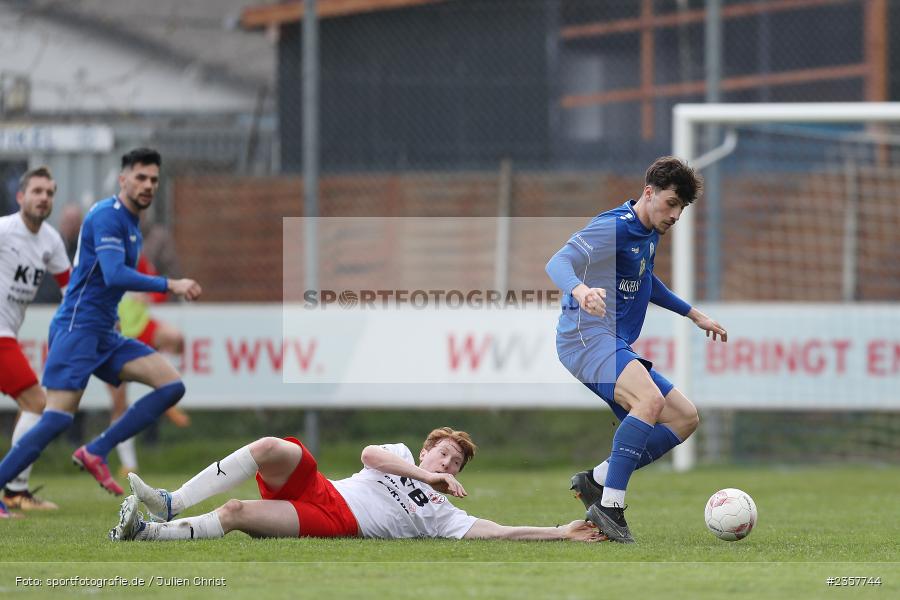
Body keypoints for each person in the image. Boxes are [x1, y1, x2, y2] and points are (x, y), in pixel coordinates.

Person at [0, 148, 202, 499]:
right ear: (123, 179)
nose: (148, 185)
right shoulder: (107, 216)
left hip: (105, 332)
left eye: (154, 179)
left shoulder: (131, 225)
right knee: (56, 418)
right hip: (77, 329)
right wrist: (170, 284)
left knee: (171, 386)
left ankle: (96, 450)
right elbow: (112, 274)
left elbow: (82, 277)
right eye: (140, 177)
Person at [545, 156, 728, 543]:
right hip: (584, 337)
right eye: (671, 204)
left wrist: (693, 314)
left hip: (610, 341)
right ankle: (610, 506)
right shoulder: (614, 227)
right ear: (649, 193)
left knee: (684, 417)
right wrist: (580, 290)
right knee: (649, 400)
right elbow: (559, 261)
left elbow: (645, 277)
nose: (676, 215)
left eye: (681, 208)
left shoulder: (649, 232)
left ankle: (595, 481)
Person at [109, 427, 605, 543]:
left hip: (335, 519)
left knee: (238, 511)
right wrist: (422, 471)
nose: (446, 464)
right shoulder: (405, 459)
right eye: (444, 454)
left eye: (454, 464)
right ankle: (171, 502)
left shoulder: (442, 511)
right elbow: (367, 456)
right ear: (427, 449)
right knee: (271, 447)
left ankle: (148, 533)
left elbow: (495, 531)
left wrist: (560, 532)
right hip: (324, 487)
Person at [0, 167, 71, 517]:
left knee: (34, 405)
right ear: (21, 196)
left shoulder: (51, 241)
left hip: (7, 333)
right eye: (37, 191)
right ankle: (13, 488)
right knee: (36, 402)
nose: (44, 197)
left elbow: (69, 288)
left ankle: (14, 489)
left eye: (49, 192)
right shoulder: (4, 230)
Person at [108, 252, 191, 477]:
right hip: (114, 336)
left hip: (143, 328)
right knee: (119, 403)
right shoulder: (101, 260)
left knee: (175, 338)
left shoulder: (139, 259)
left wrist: (149, 298)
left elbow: (159, 292)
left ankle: (168, 394)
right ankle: (129, 464)